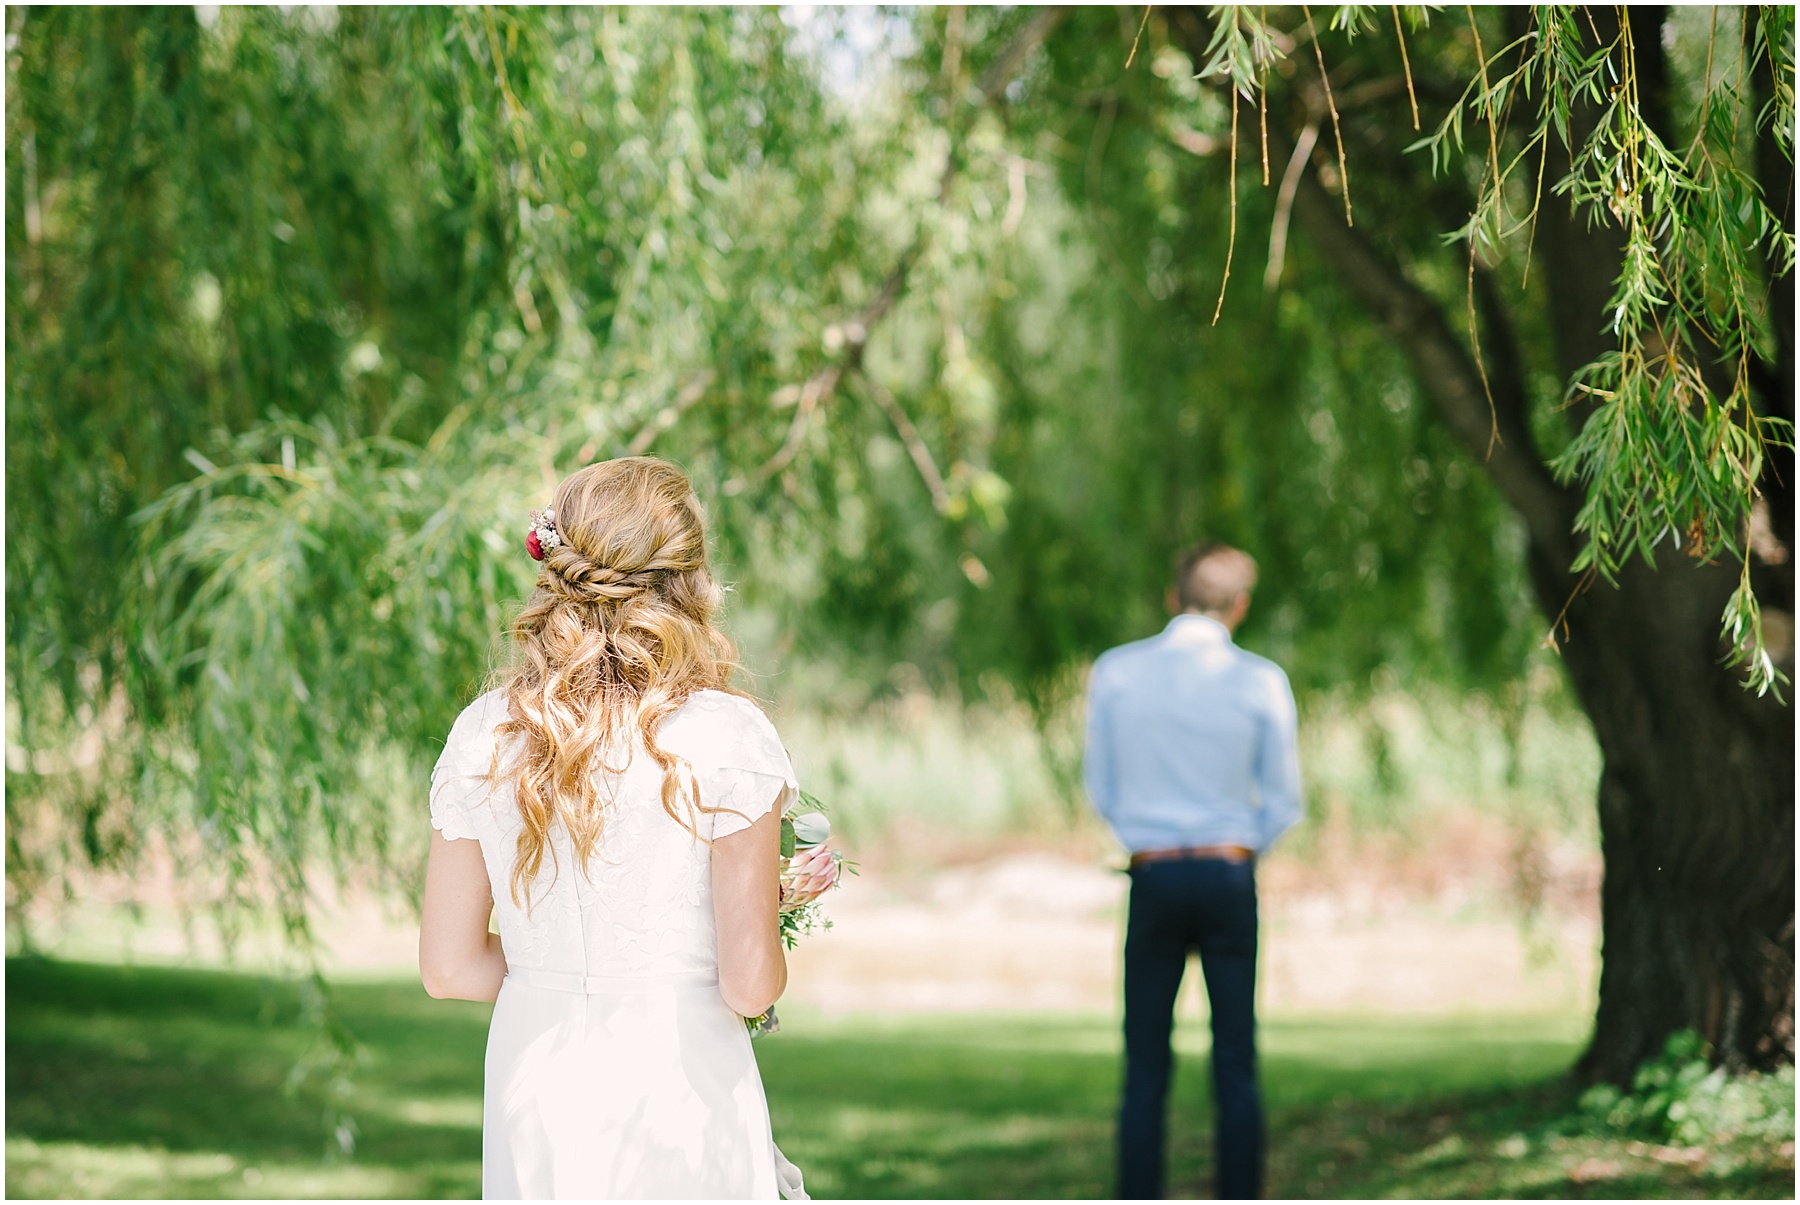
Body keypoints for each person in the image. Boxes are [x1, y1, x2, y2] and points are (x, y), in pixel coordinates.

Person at [418, 456, 838, 1200]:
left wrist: (560, 975)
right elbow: (749, 984)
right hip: (680, 1086)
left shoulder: (485, 734)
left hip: (533, 1090)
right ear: (688, 583)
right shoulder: (726, 738)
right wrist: (772, 905)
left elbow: (447, 966)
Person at [1083, 543, 1303, 1200]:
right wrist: (1239, 846)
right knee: (1236, 1055)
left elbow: (1103, 787)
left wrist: (1147, 835)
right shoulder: (1262, 679)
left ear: (1173, 597)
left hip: (1151, 874)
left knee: (1145, 1061)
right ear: (1239, 606)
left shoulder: (1116, 672)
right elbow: (1284, 801)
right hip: (1229, 873)